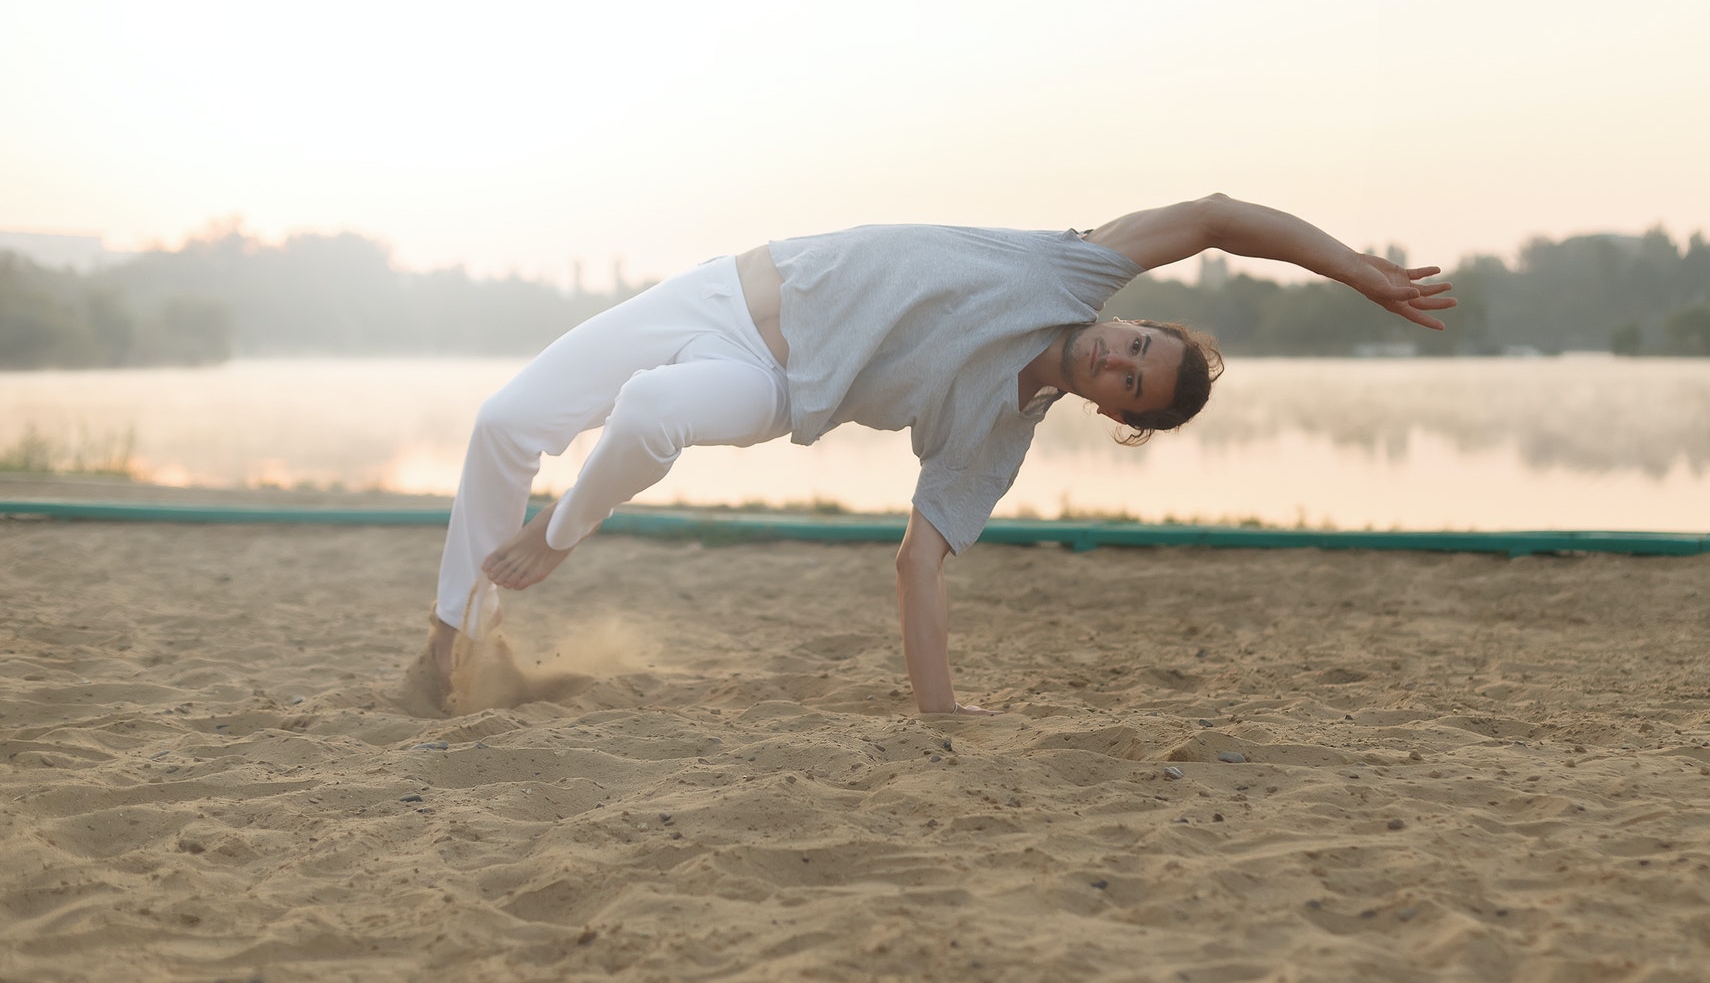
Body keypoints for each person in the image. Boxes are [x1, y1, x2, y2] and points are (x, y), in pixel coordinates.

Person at [424, 192, 1454, 714]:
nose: (1116, 354)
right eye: (1137, 343)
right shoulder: (1066, 271)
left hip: (775, 386)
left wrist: (941, 717)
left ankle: (553, 542)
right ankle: (454, 647)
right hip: (719, 292)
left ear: (1111, 411)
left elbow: (919, 564)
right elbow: (1216, 216)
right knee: (501, 424)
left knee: (649, 412)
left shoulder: (993, 436)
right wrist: (1357, 272)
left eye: (1127, 380)